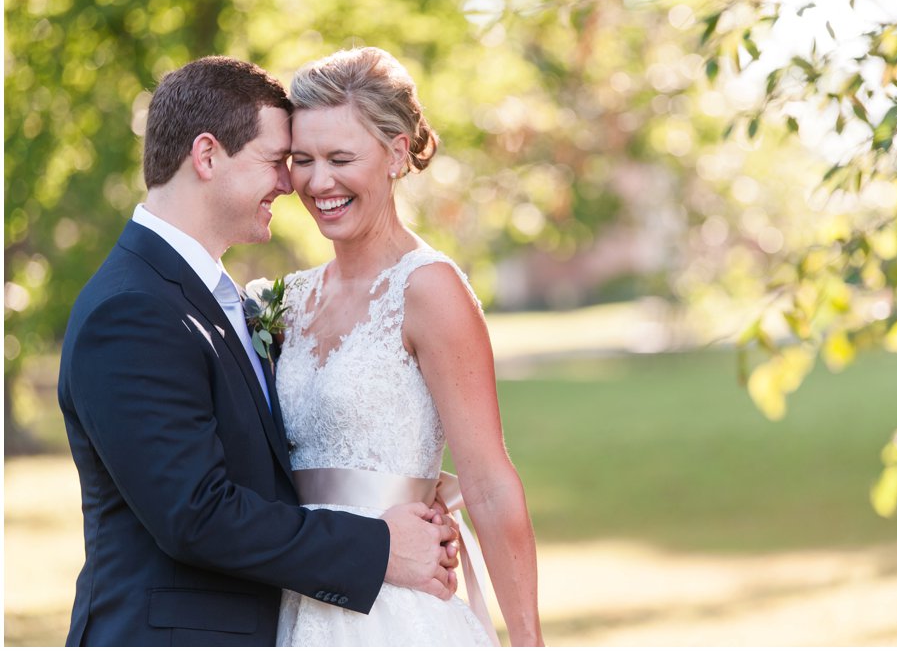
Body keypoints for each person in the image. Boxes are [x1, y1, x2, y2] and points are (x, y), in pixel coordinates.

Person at [56, 56, 460, 646]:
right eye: (277, 160)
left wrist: (399, 487)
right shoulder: (131, 310)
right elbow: (197, 514)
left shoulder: (219, 298)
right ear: (207, 156)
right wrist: (380, 546)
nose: (290, 184)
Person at [274, 47, 544, 646]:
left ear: (397, 153)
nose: (318, 182)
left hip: (394, 614)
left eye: (341, 158)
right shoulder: (289, 300)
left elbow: (489, 482)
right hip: (291, 596)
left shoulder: (429, 289)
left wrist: (528, 642)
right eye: (302, 160)